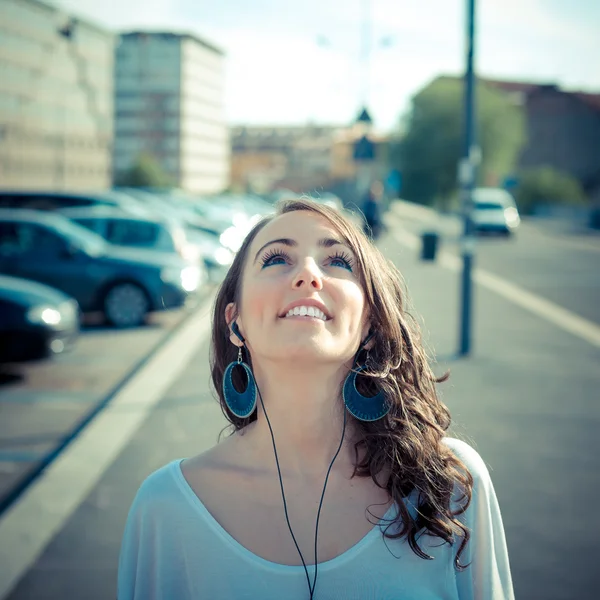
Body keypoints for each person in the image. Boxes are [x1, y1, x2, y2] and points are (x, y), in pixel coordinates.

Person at [117, 198, 514, 600]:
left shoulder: (449, 484)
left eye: (338, 262)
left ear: (370, 325)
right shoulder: (166, 508)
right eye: (276, 259)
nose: (308, 274)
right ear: (234, 322)